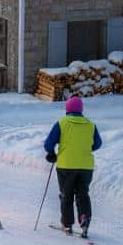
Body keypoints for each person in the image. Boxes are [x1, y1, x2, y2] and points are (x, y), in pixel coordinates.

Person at [43, 96, 102, 237]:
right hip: (86, 167)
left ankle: (67, 224)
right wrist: (85, 150)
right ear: (81, 109)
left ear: (67, 109)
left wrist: (52, 153)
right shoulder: (90, 125)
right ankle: (84, 219)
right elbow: (98, 143)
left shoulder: (61, 123)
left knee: (66, 195)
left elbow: (48, 144)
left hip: (66, 166)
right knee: (83, 194)